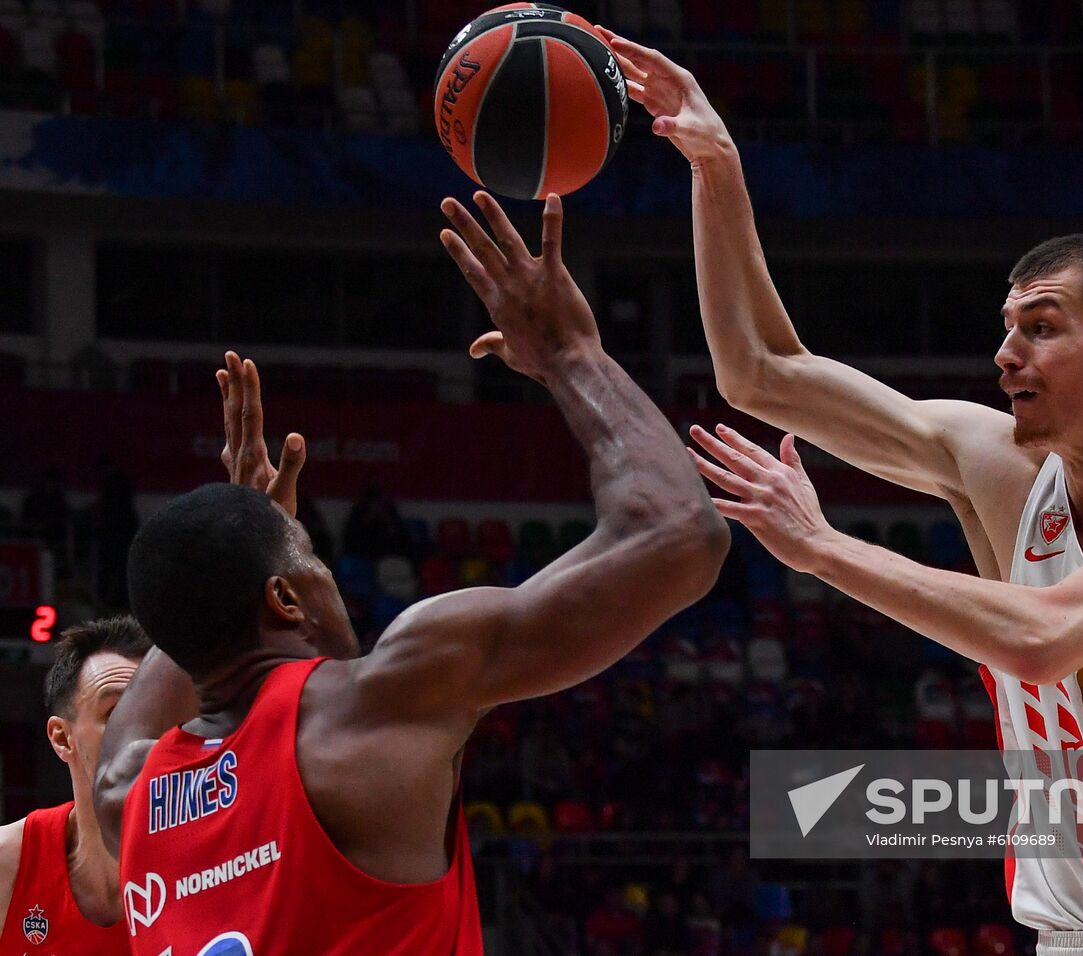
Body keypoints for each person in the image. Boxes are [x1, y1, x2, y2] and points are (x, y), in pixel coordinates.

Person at [599, 30, 1083, 956]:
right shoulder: (1000, 471)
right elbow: (761, 373)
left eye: (1041, 327)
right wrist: (716, 167)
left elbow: (1048, 638)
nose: (1006, 355)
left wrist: (824, 549)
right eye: (1007, 328)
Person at [94, 192, 729, 954]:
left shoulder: (126, 793)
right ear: (285, 596)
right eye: (306, 552)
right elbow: (680, 535)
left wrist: (242, 534)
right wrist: (571, 355)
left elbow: (191, 626)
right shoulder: (381, 702)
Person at [0, 616, 156, 953]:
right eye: (114, 712)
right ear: (62, 738)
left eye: (159, 712)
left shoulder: (219, 860)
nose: (144, 731)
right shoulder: (7, 864)